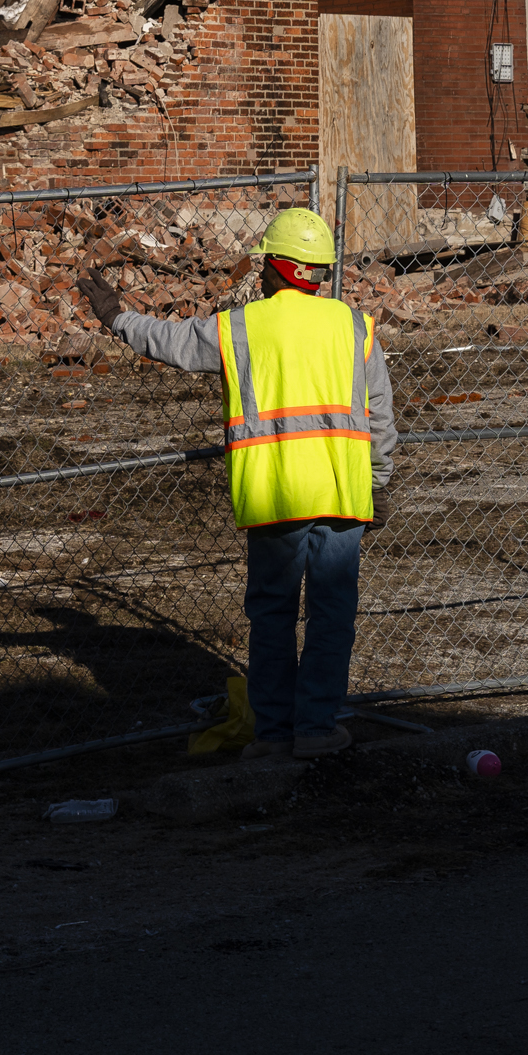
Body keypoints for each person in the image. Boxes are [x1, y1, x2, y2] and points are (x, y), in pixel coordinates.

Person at [79, 207, 393, 760]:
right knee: (332, 616)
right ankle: (317, 728)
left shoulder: (241, 327)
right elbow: (382, 420)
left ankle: (273, 737)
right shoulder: (354, 327)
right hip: (343, 495)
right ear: (317, 272)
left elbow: (169, 342)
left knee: (272, 618)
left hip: (273, 499)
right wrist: (381, 483)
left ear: (275, 266)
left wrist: (116, 318)